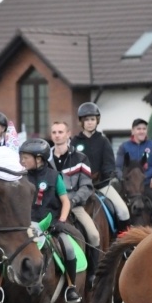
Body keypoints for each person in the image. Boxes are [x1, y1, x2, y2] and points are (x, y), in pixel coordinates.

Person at [20, 138, 81, 303]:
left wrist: (61, 219)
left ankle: (71, 287)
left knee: (68, 249)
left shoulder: (55, 176)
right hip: (26, 226)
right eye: (21, 157)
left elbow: (65, 201)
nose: (22, 161)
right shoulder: (20, 176)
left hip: (50, 224)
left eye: (26, 157)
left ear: (39, 159)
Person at [50, 121, 100, 286]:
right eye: (54, 132)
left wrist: (73, 200)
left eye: (60, 132)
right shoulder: (44, 158)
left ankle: (92, 274)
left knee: (93, 235)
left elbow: (87, 186)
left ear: (68, 134)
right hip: (50, 207)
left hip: (75, 205)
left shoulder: (80, 158)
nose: (57, 135)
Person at [70, 102, 131, 236]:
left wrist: (107, 174)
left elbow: (109, 163)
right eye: (86, 120)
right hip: (80, 187)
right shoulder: (74, 142)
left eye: (92, 119)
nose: (90, 122)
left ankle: (124, 244)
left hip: (101, 185)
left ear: (97, 120)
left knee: (123, 210)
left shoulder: (103, 141)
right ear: (81, 122)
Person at [115, 118, 152, 228]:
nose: (141, 131)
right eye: (138, 129)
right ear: (132, 131)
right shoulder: (124, 147)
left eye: (144, 129)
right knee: (114, 210)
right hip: (128, 189)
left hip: (146, 186)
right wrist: (122, 179)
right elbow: (117, 167)